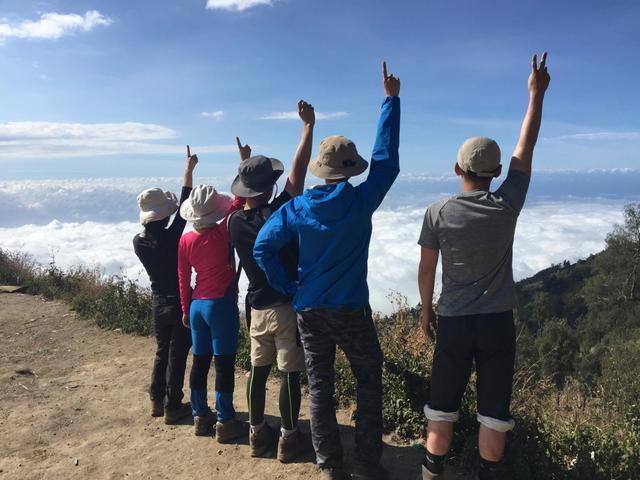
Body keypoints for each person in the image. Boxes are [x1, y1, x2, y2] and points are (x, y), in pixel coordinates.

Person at [254, 62, 401, 480]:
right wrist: (390, 100)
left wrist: (290, 286)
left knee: (320, 389)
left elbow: (264, 246)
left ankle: (329, 466)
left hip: (310, 311)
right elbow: (386, 162)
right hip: (352, 309)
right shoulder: (360, 201)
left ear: (322, 169)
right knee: (369, 382)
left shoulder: (298, 208)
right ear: (351, 170)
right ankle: (368, 464)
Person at [417, 53, 551, 480]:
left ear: (457, 169)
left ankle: (433, 470)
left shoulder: (437, 212)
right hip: (496, 323)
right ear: (495, 172)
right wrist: (536, 94)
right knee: (493, 412)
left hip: (453, 320)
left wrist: (426, 310)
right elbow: (524, 148)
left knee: (441, 406)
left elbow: (426, 269)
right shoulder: (507, 203)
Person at [228, 100, 315, 461]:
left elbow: (243, 200)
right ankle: (288, 438)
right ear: (270, 188)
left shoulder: (233, 222)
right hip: (284, 306)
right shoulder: (279, 213)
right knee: (291, 374)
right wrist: (308, 127)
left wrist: (243, 164)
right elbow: (298, 174)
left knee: (258, 372)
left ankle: (256, 434)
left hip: (255, 308)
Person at [177, 173, 247, 441]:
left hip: (197, 306)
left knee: (200, 362)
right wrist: (243, 163)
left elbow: (183, 278)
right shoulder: (223, 230)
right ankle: (225, 420)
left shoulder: (184, 240)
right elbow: (239, 202)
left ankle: (199, 415)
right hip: (221, 305)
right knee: (225, 363)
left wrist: (185, 308)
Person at [133, 147, 197, 425]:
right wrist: (188, 171)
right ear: (164, 216)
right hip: (180, 300)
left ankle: (156, 400)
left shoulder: (139, 242)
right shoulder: (172, 238)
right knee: (178, 353)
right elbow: (184, 209)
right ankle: (173, 405)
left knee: (161, 350)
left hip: (158, 301)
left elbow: (176, 214)